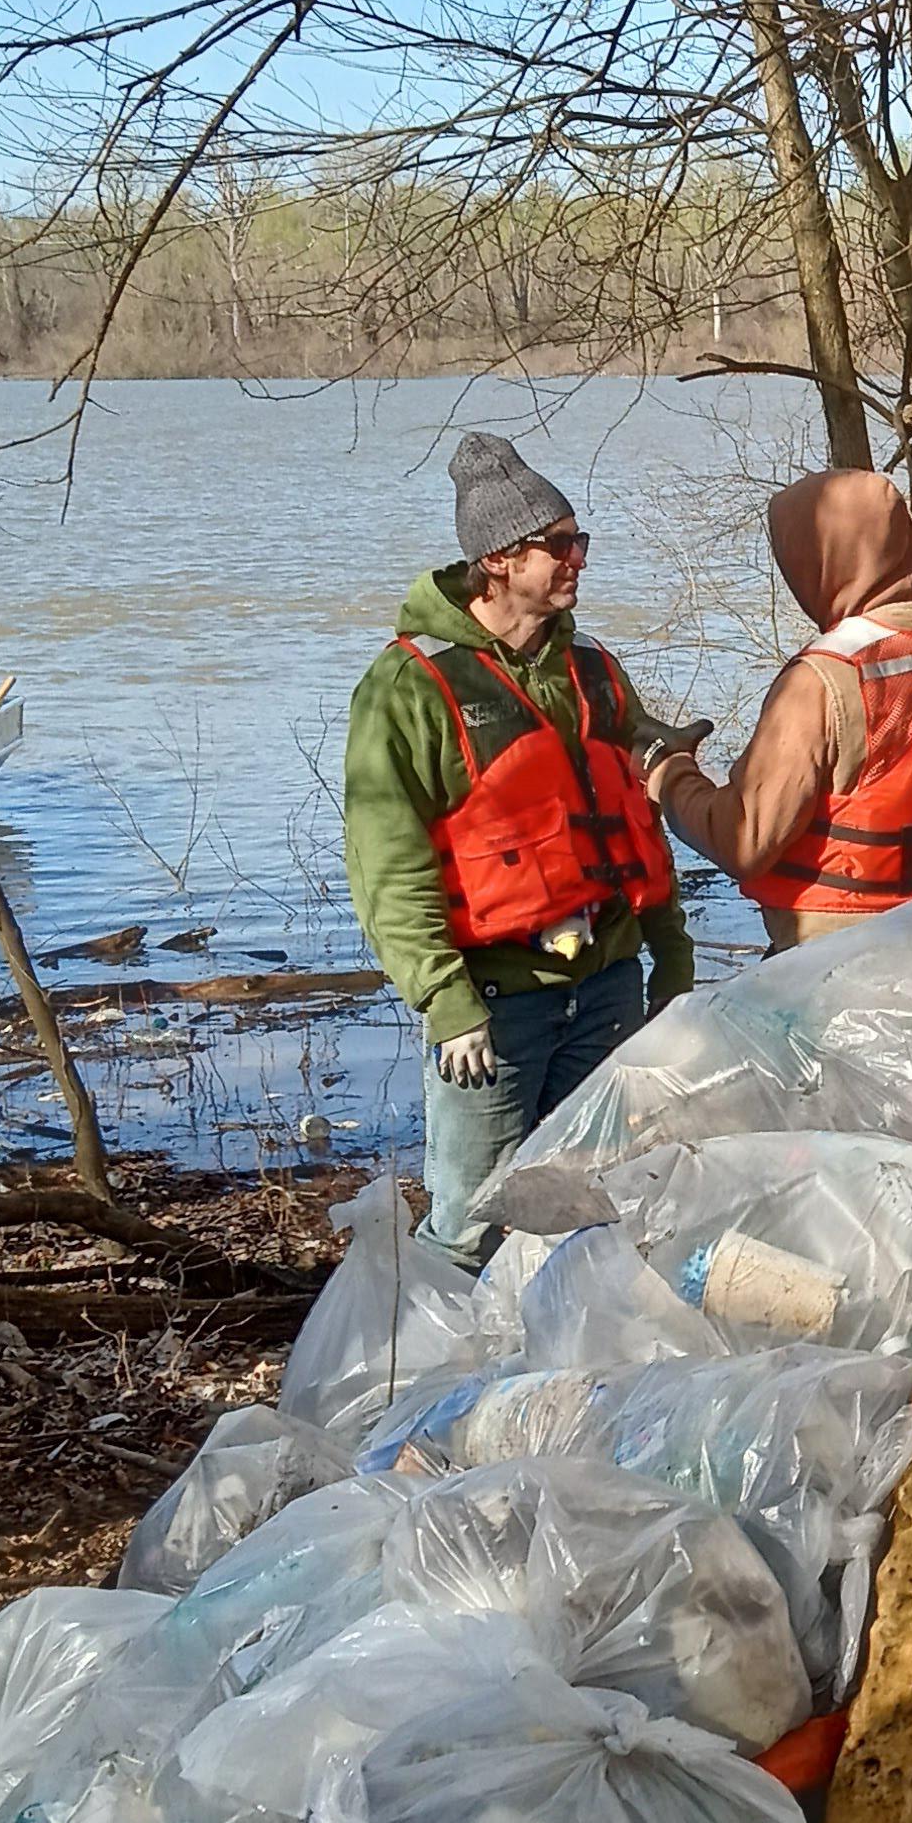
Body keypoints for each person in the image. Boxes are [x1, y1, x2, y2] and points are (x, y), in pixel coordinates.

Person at [342, 432, 697, 1268]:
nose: (578, 558)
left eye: (580, 540)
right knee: (471, 1227)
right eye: (560, 544)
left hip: (607, 985)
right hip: (495, 1007)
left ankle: (565, 1381)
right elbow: (387, 865)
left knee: (599, 1207)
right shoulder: (409, 689)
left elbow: (634, 829)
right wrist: (445, 1000)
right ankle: (440, 1386)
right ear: (498, 560)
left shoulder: (594, 671)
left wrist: (670, 956)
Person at [647, 467, 912, 949]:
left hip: (837, 965)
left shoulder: (821, 679)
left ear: (818, 560)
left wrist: (669, 775)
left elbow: (745, 839)